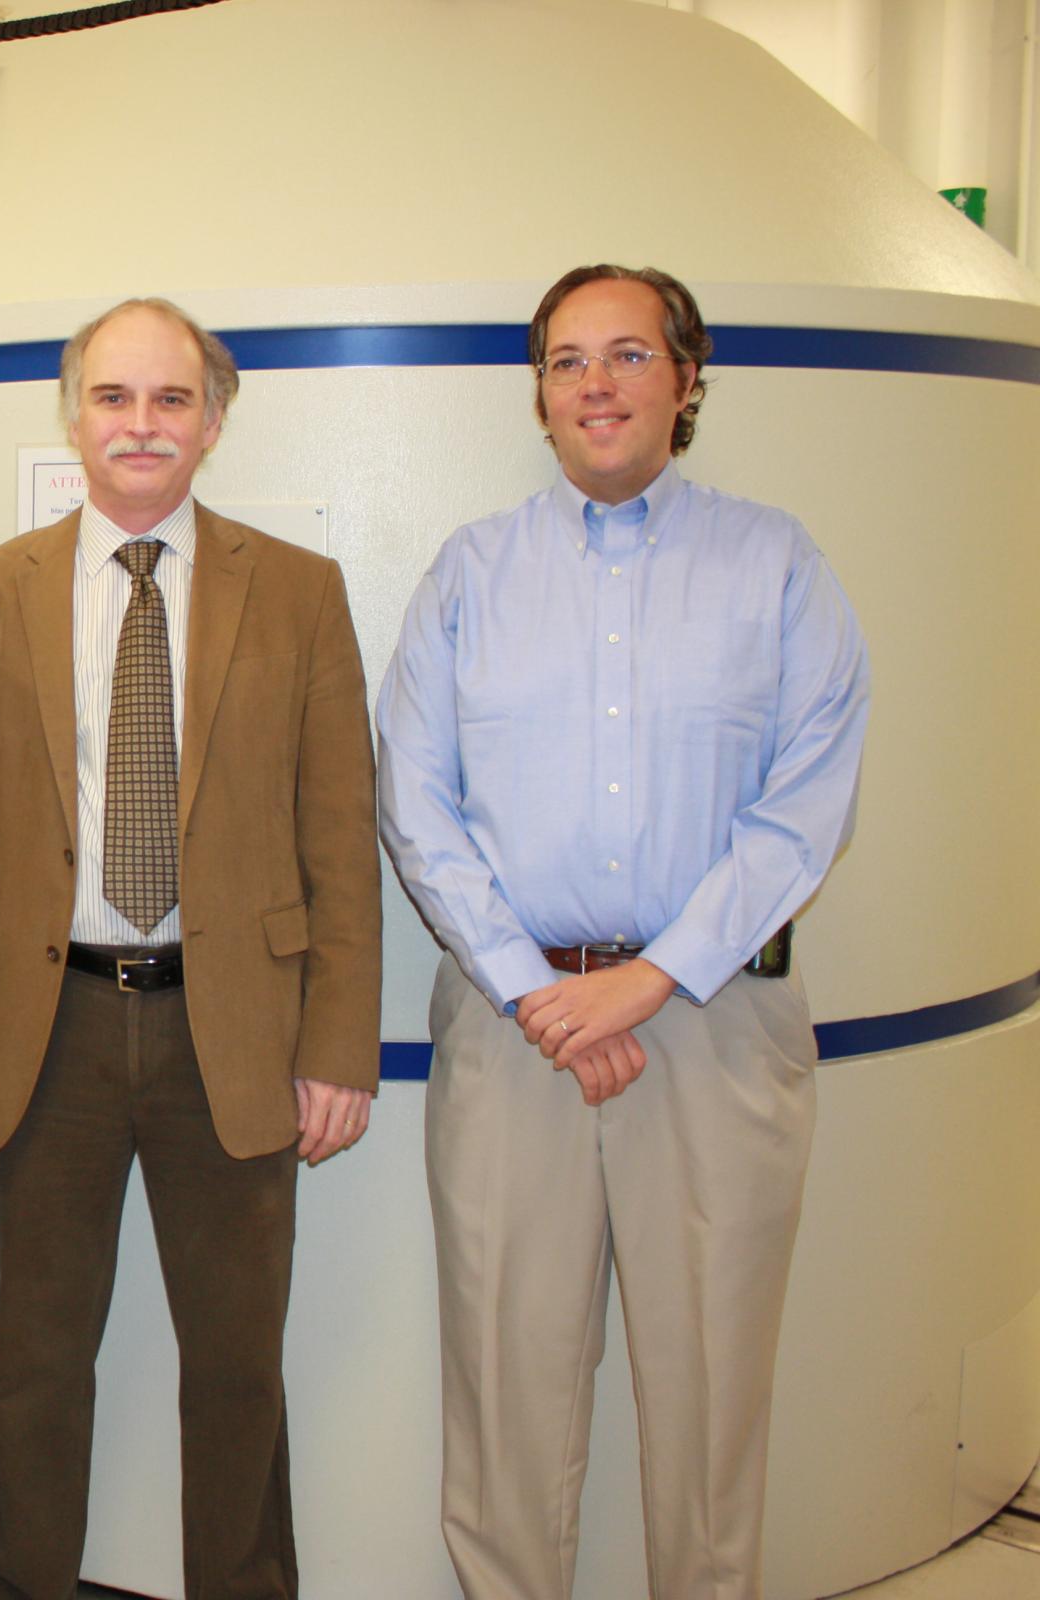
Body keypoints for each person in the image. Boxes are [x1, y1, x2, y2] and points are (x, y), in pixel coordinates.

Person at [376, 264, 872, 1600]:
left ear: (688, 378)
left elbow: (804, 805)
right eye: (567, 360)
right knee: (504, 1387)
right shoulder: (471, 574)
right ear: (539, 394)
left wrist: (648, 981)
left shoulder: (777, 567)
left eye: (629, 355)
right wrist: (541, 991)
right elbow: (415, 802)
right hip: (512, 1033)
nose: (597, 384)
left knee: (711, 1396)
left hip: (713, 1027)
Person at [0, 297, 382, 1599]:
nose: (141, 425)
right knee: (39, 1361)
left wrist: (338, 1042)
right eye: (114, 398)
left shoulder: (297, 592)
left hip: (228, 1030)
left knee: (238, 1368)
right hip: (47, 1032)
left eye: (170, 400)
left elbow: (338, 836)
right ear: (73, 417)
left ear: (214, 423)